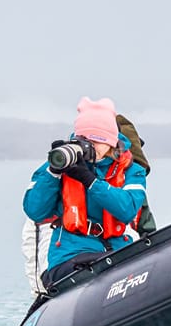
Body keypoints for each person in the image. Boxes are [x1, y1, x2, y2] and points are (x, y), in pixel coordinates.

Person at [22, 112, 155, 294]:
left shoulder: (132, 171)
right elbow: (35, 211)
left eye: (96, 141)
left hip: (117, 249)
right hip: (70, 253)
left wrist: (90, 180)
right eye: (85, 140)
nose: (89, 147)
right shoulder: (62, 165)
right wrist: (52, 172)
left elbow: (127, 209)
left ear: (111, 142)